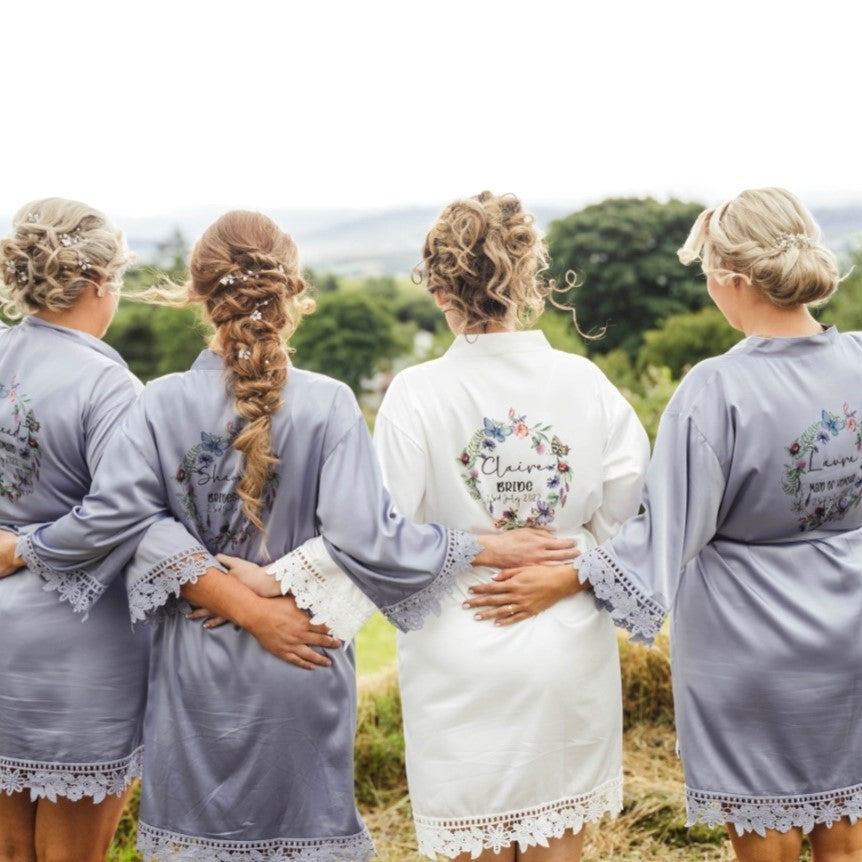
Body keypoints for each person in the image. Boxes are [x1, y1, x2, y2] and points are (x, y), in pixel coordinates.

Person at [0, 209, 573, 862]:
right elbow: (373, 541)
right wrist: (477, 544)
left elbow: (127, 519)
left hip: (193, 673)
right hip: (306, 654)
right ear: (295, 292)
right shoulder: (330, 404)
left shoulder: (156, 403)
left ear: (197, 294)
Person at [254, 192, 650, 861]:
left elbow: (380, 533)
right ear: (527, 281)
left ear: (439, 291)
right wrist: (565, 570)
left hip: (460, 651)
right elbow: (630, 516)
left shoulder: (415, 393)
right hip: (566, 643)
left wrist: (267, 587)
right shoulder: (585, 383)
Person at [474, 188, 862, 862]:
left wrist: (563, 577)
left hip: (751, 646)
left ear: (733, 276)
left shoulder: (716, 390)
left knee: (766, 846)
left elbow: (662, 534)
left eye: (708, 269)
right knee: (848, 840)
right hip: (850, 636)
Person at [0, 198, 226, 862]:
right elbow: (121, 514)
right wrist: (26, 546)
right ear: (100, 282)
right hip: (77, 650)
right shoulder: (108, 384)